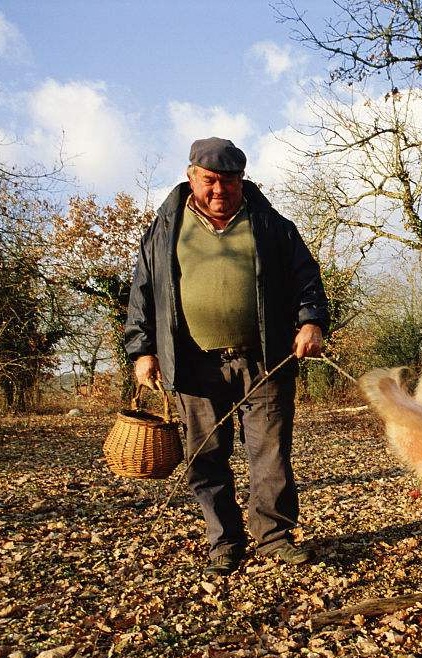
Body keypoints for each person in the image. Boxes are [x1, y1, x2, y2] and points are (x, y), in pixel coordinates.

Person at [125, 137, 329, 577]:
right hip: (193, 363)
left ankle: (273, 537)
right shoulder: (165, 228)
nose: (220, 191)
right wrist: (142, 350)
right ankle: (225, 541)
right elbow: (142, 292)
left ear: (243, 180)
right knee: (204, 458)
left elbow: (306, 279)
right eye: (210, 181)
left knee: (271, 456)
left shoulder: (271, 225)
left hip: (265, 360)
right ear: (191, 175)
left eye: (230, 182)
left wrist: (311, 322)